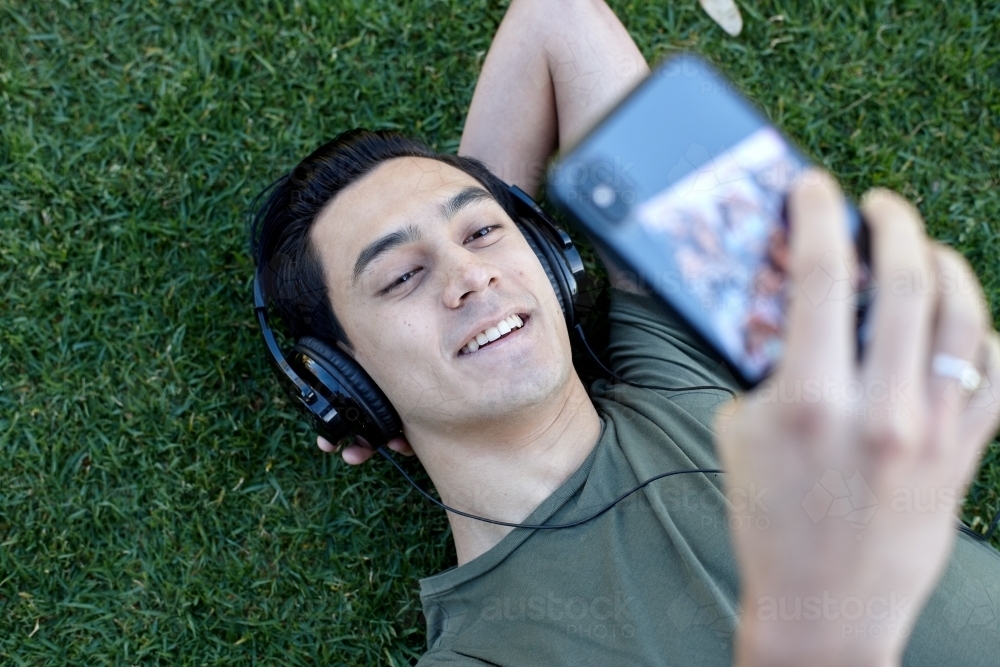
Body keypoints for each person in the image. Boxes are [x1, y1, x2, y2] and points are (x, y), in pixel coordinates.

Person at [250, 1, 1000, 664]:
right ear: (341, 385)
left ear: (547, 254)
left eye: (483, 232)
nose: (470, 276)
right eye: (401, 276)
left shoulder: (675, 359)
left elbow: (559, 19)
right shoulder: (485, 653)